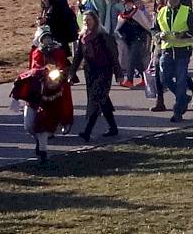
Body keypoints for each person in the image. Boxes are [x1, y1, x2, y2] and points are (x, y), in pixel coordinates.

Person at [13, 31, 75, 162]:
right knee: (29, 125)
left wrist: (60, 74)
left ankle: (43, 152)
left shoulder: (58, 52)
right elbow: (33, 69)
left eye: (48, 38)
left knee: (44, 125)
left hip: (51, 95)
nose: (47, 41)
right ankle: (40, 142)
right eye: (44, 38)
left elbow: (62, 67)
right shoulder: (37, 52)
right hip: (35, 94)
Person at [154, 0, 193, 119]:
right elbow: (154, 29)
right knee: (164, 79)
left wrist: (184, 34)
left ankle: (178, 111)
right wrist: (158, 35)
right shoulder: (161, 12)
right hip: (166, 50)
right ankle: (183, 98)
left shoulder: (186, 11)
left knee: (181, 80)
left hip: (182, 51)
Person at [73, 9, 119, 140]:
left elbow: (113, 56)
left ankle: (87, 131)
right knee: (103, 100)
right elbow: (78, 57)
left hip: (104, 72)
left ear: (95, 21)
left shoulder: (103, 36)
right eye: (84, 20)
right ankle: (113, 127)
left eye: (89, 20)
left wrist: (118, 73)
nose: (87, 22)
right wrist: (72, 73)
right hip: (90, 73)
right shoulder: (82, 38)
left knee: (96, 100)